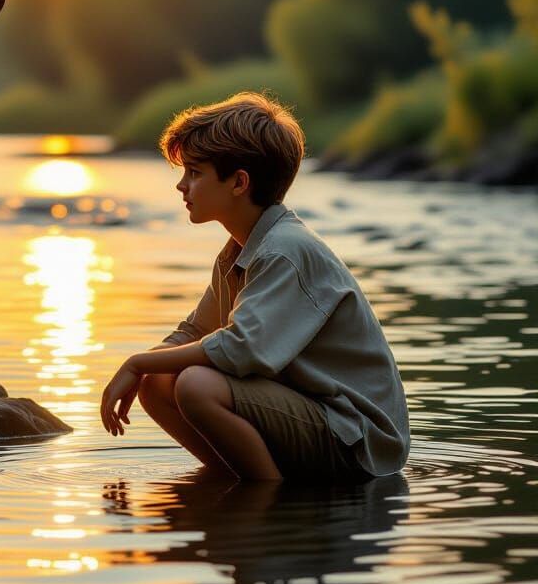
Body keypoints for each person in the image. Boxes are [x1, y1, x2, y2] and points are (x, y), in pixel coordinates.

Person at [99, 92, 410, 482]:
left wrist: (136, 361)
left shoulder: (284, 251)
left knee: (197, 385)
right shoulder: (240, 250)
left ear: (239, 182)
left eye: (195, 173)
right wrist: (145, 367)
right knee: (158, 383)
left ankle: (265, 500)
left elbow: (242, 349)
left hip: (357, 437)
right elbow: (195, 332)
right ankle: (234, 478)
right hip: (313, 413)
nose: (181, 185)